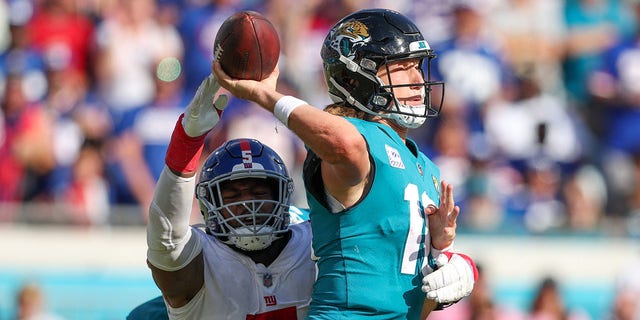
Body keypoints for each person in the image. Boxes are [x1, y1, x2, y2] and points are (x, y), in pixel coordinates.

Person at [213, 7, 477, 320]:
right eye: (401, 67)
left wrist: (441, 257)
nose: (417, 79)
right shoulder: (357, 142)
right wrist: (268, 96)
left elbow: (406, 304)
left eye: (417, 66)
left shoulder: (426, 168)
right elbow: (343, 143)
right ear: (355, 78)